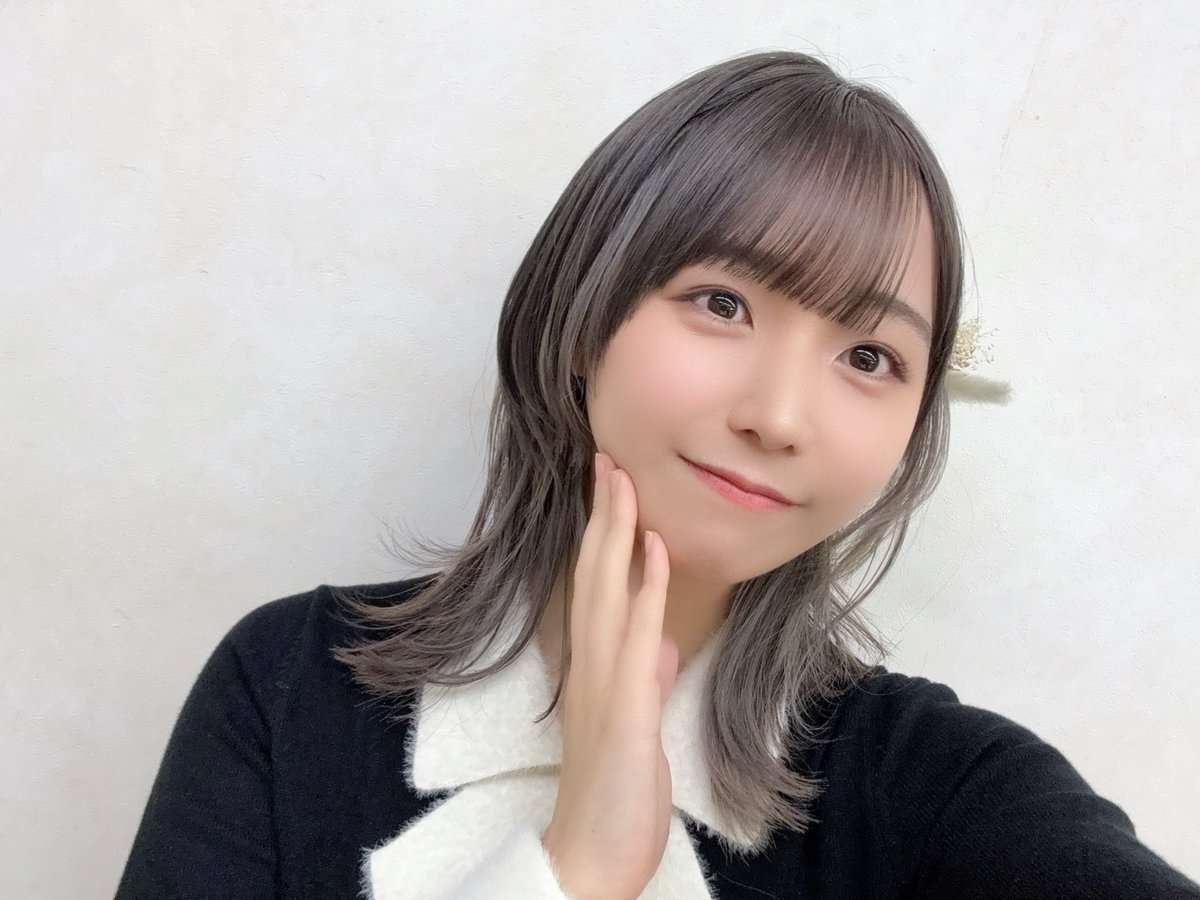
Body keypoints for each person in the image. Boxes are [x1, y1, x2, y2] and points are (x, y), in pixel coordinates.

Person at [114, 50, 1200, 899]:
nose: (780, 417)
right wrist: (578, 867)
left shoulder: (929, 784)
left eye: (870, 358)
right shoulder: (288, 688)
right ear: (583, 312)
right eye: (722, 303)